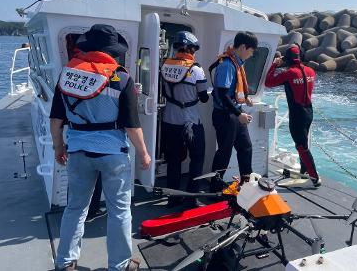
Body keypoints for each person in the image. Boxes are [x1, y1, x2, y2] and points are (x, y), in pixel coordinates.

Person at [50, 24, 151, 271]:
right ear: (110, 51)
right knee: (119, 211)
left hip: (78, 152)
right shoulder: (120, 77)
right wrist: (144, 153)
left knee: (75, 208)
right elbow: (131, 124)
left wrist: (58, 147)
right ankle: (120, 265)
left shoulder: (67, 74)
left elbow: (55, 119)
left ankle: (65, 262)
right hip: (112, 154)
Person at [160, 31, 209, 208]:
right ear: (189, 48)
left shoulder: (165, 65)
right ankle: (191, 197)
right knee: (197, 157)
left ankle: (173, 197)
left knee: (173, 160)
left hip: (169, 120)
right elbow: (203, 97)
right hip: (190, 121)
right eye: (194, 49)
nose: (195, 53)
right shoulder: (196, 69)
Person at [264, 44, 321, 187]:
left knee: (301, 146)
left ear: (287, 59)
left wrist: (274, 65)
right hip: (309, 112)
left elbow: (268, 82)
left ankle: (314, 177)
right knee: (304, 143)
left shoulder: (289, 73)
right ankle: (305, 170)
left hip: (297, 114)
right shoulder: (311, 71)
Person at [209, 31, 257, 192]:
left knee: (246, 147)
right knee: (224, 152)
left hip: (235, 112)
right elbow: (222, 94)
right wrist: (239, 115)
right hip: (226, 116)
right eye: (251, 51)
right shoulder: (227, 65)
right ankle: (215, 187)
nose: (251, 55)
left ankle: (246, 183)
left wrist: (246, 99)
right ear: (243, 47)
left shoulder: (237, 63)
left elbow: (234, 90)